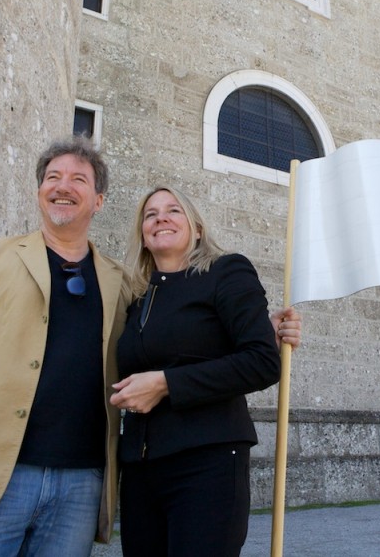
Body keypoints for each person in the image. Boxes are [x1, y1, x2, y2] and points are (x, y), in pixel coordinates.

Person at [0, 138, 303, 556]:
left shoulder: (122, 283)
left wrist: (258, 328)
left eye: (78, 179)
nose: (63, 186)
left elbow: (185, 339)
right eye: (53, 177)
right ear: (39, 191)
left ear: (98, 201)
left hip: (82, 484)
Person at [110, 186, 292, 557]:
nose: (161, 217)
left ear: (196, 228)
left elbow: (262, 360)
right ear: (143, 237)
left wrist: (166, 384)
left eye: (173, 210)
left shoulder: (227, 272)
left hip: (207, 463)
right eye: (150, 214)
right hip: (141, 471)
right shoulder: (137, 299)